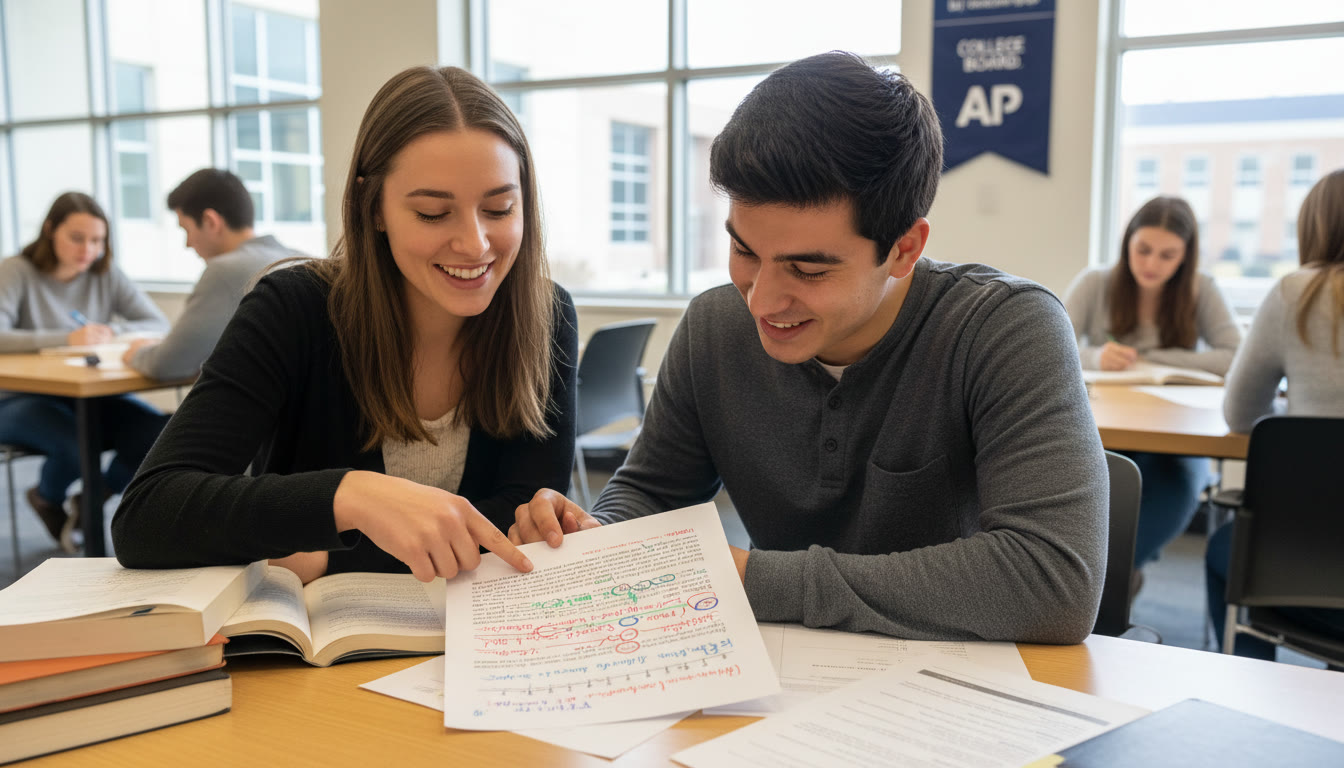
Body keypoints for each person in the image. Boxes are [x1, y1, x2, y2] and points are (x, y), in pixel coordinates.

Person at [509, 52, 1108, 644]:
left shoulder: (1006, 329)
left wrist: (750, 579)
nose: (763, 302)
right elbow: (654, 491)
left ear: (904, 249)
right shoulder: (715, 325)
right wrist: (593, 534)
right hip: (780, 677)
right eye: (745, 251)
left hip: (960, 691)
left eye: (808, 270)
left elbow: (1053, 581)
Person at [112, 65, 577, 583]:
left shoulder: (544, 314)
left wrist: (328, 557)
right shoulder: (293, 308)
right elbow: (146, 516)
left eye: (499, 208)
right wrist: (350, 495)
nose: (474, 244)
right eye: (431, 213)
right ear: (371, 207)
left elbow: (513, 523)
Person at [1206, 169, 1344, 659]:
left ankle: (1253, 702)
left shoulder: (1298, 294)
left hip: (1308, 566)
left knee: (1229, 548)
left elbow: (1241, 412)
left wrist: (1298, 411)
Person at [1063, 196, 1241, 572]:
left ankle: (1117, 579)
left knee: (1166, 491)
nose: (1151, 264)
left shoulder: (1202, 288)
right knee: (1094, 498)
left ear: (1186, 256)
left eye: (1167, 255)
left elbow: (1234, 356)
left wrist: (1150, 359)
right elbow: (1051, 345)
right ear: (1127, 241)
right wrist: (1096, 356)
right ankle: (1114, 583)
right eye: (1143, 250)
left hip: (1177, 441)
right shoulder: (1096, 282)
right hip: (1104, 434)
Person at [0, 192, 170, 550]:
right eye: (77, 238)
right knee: (78, 446)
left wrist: (109, 330)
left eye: (97, 240)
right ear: (50, 231)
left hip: (87, 395)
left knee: (162, 434)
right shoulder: (16, 270)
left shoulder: (105, 274)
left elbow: (155, 321)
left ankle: (92, 500)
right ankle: (46, 497)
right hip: (19, 398)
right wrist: (67, 337)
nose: (88, 249)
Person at [122, 169, 303, 380]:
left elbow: (167, 365)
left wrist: (136, 353)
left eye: (186, 230)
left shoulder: (225, 271)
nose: (188, 244)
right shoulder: (304, 259)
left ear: (210, 221)